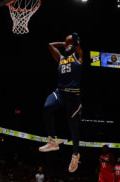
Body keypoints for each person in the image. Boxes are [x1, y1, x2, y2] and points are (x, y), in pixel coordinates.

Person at [38, 32, 83, 173]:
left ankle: (75, 155)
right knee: (47, 107)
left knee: (73, 128)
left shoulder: (78, 57)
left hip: (73, 96)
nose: (68, 46)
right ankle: (52, 141)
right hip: (61, 92)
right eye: (66, 44)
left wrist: (73, 42)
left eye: (70, 44)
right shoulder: (61, 58)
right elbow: (50, 45)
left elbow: (77, 44)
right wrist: (64, 43)